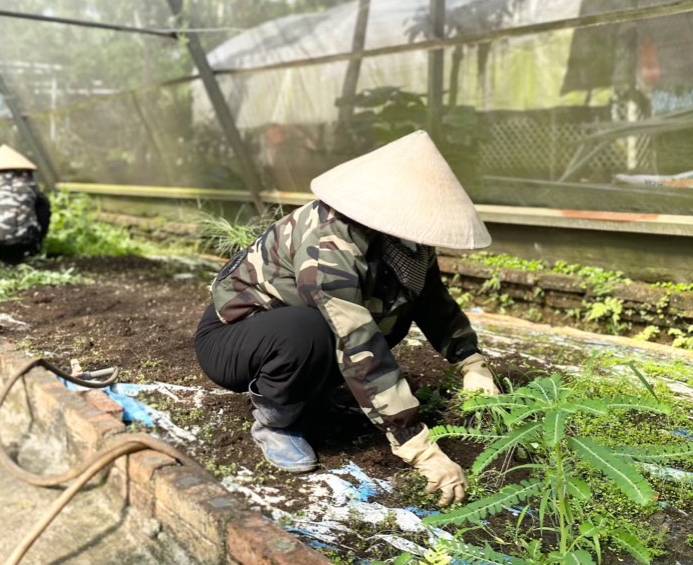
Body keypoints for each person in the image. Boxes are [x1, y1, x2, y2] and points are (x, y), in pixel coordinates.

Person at [195, 130, 499, 508]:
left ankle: (308, 391)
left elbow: (432, 299)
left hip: (295, 331)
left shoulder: (403, 239)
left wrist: (471, 361)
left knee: (391, 314)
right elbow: (354, 338)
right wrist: (417, 446)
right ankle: (276, 420)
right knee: (310, 332)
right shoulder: (330, 243)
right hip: (235, 337)